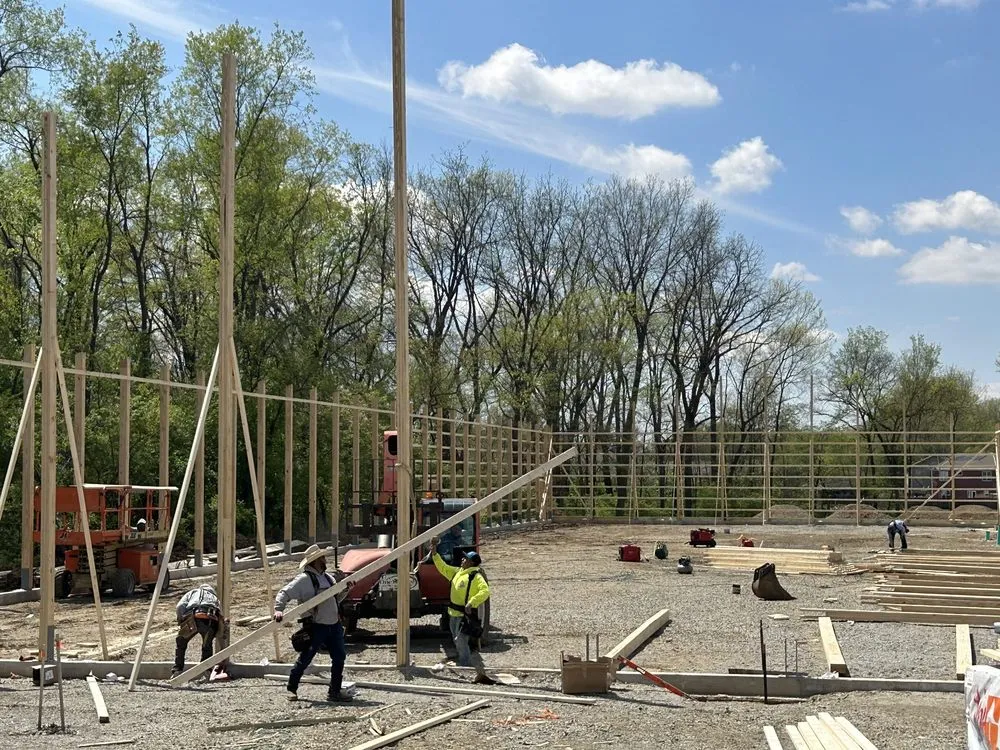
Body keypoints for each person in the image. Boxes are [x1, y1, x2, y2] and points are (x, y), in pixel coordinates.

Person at [273, 544, 353, 702]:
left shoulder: (328, 578)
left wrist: (345, 590)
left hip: (333, 625)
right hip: (316, 626)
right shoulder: (304, 579)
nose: (325, 560)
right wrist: (278, 609)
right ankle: (292, 688)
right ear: (315, 561)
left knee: (339, 658)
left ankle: (334, 692)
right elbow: (284, 592)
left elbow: (334, 599)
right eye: (322, 558)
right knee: (306, 658)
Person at [430, 536, 494, 685]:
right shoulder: (459, 572)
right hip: (453, 613)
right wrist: (434, 554)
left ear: (471, 562)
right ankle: (464, 660)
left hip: (464, 615)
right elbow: (443, 568)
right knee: (456, 638)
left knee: (461, 640)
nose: (462, 560)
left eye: (465, 559)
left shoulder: (475, 576)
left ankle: (465, 665)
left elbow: (485, 591)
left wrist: (472, 602)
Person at [173, 583, 222, 679]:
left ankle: (177, 671)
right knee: (207, 646)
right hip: (210, 620)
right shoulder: (215, 598)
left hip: (194, 618)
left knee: (181, 641)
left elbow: (180, 606)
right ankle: (206, 672)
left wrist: (181, 621)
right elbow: (221, 614)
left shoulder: (193, 592)